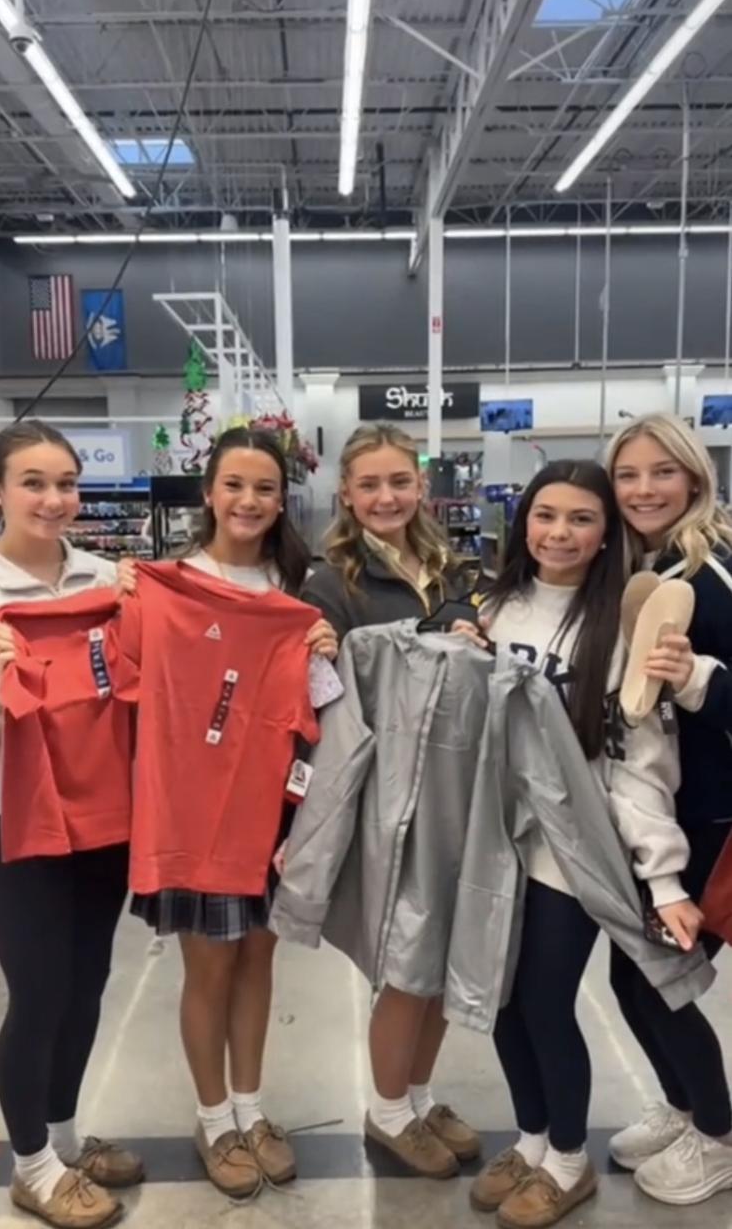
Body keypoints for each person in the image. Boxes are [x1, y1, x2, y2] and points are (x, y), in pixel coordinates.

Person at [452, 460, 701, 1229]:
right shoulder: (491, 608)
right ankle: (530, 1141)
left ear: (605, 535)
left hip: (571, 850)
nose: (559, 533)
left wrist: (663, 879)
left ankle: (567, 1158)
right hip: (492, 842)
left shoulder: (622, 627)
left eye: (581, 519)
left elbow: (640, 764)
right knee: (498, 997)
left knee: (543, 999)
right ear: (522, 522)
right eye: (545, 515)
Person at [0, 421, 142, 1229]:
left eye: (66, 484)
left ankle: (64, 1136)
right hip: (13, 826)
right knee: (40, 990)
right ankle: (33, 1168)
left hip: (103, 817)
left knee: (87, 985)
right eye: (34, 483)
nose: (54, 500)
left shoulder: (109, 581)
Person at [129, 427, 337, 1200]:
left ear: (282, 501)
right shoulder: (165, 588)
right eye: (235, 485)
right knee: (209, 965)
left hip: (276, 807)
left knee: (258, 959)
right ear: (209, 494)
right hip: (192, 810)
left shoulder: (298, 592)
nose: (248, 501)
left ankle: (250, 1107)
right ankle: (213, 1117)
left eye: (264, 489)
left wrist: (321, 647)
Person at [302, 423, 481, 1178]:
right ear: (346, 493)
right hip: (386, 796)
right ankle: (385, 1111)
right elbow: (324, 703)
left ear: (421, 486)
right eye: (369, 484)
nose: (386, 497)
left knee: (444, 955)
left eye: (399, 482)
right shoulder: (329, 582)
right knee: (406, 959)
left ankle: (418, 1095)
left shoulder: (453, 569)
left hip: (457, 787)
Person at [605, 413, 732, 1205]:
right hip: (661, 811)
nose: (643, 488)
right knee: (630, 976)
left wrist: (697, 681)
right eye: (627, 474)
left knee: (662, 981)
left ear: (693, 477)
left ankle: (716, 1136)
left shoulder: (711, 576)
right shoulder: (644, 568)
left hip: (713, 823)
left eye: (661, 472)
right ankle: (685, 1108)